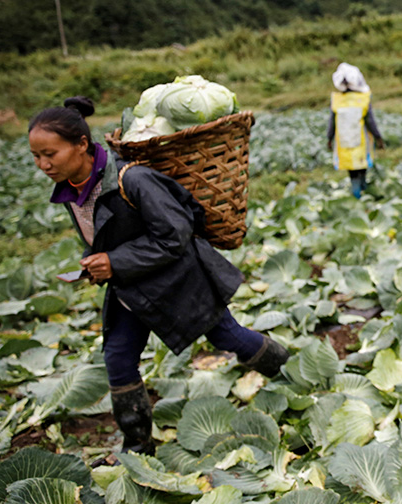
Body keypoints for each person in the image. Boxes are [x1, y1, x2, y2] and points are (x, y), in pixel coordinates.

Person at [28, 97, 289, 455]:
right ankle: (138, 447)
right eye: (36, 157)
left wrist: (115, 261)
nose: (43, 165)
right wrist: (94, 261)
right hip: (130, 289)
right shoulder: (72, 190)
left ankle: (289, 374)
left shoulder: (132, 179)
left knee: (228, 336)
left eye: (50, 154)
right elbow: (106, 233)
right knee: (118, 359)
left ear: (82, 145)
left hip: (179, 282)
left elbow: (175, 234)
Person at [328, 63, 385, 198]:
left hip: (344, 142)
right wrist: (378, 137)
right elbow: (370, 122)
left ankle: (357, 193)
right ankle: (361, 192)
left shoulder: (337, 99)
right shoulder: (363, 98)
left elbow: (332, 122)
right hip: (360, 141)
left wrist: (329, 138)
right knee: (361, 167)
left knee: (352, 172)